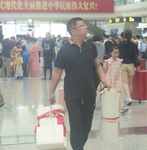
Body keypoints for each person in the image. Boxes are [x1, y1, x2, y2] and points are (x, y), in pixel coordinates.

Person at [49, 17, 108, 150]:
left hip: (89, 92)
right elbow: (57, 72)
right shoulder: (64, 51)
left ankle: (78, 147)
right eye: (82, 26)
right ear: (73, 31)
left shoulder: (90, 46)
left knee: (86, 126)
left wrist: (104, 80)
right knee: (76, 126)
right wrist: (51, 92)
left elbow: (97, 66)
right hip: (72, 95)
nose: (86, 28)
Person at [104, 47, 128, 113]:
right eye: (114, 53)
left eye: (117, 53)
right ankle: (111, 107)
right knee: (110, 93)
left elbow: (119, 70)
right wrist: (104, 80)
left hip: (117, 79)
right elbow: (105, 71)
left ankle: (122, 105)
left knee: (119, 92)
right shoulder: (108, 61)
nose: (116, 55)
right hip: (110, 79)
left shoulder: (119, 61)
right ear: (110, 53)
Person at [118, 29, 138, 106]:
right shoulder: (133, 44)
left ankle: (128, 98)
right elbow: (135, 55)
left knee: (124, 83)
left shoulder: (120, 45)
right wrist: (135, 65)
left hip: (123, 64)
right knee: (130, 83)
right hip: (131, 65)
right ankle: (129, 98)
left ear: (124, 35)